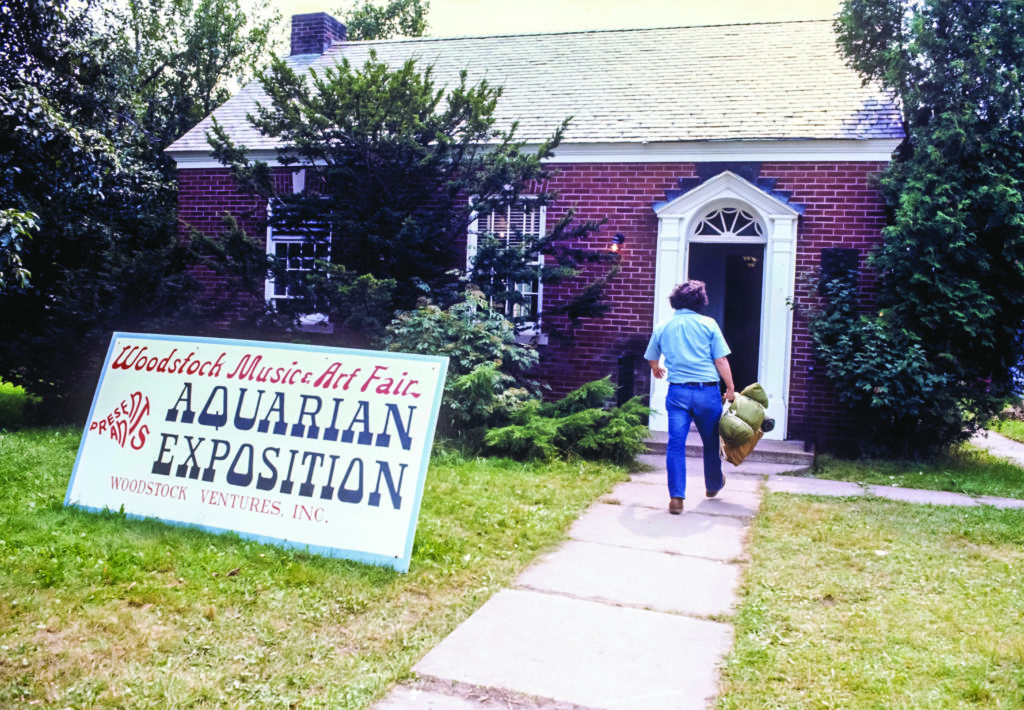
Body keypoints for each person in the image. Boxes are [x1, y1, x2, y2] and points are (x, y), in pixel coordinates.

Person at [645, 280, 735, 514]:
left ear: (675, 301)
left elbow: (652, 356)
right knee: (711, 443)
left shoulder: (663, 326)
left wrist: (656, 369)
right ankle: (713, 485)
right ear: (700, 301)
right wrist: (731, 388)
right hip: (707, 392)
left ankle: (676, 498)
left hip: (678, 393)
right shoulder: (709, 324)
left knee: (676, 444)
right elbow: (721, 360)